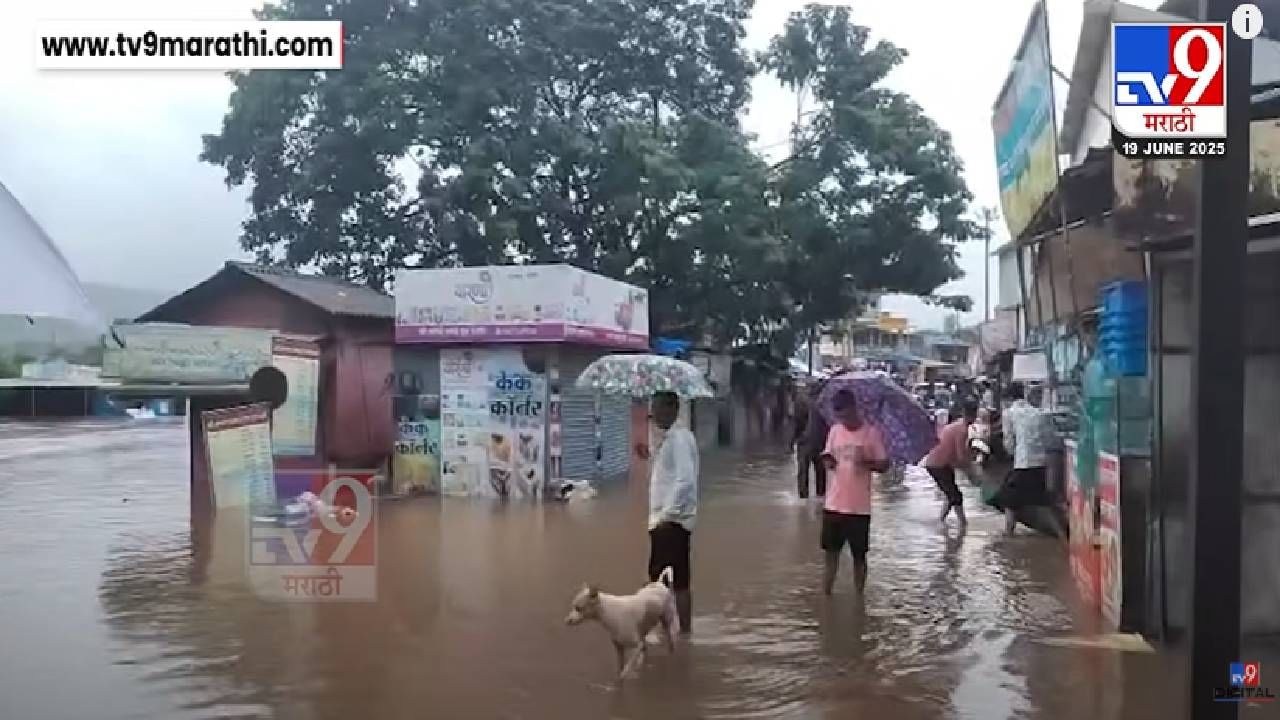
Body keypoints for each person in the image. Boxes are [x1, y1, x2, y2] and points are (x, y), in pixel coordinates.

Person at [638, 391, 698, 633]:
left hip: (671, 522)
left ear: (672, 409)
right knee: (676, 579)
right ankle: (682, 633)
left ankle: (658, 632)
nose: (652, 414)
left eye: (657, 407)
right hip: (671, 520)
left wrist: (666, 515)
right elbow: (670, 473)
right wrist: (650, 455)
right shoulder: (672, 438)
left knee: (660, 581)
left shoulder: (679, 439)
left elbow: (685, 481)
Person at [819, 388, 890, 595]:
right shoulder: (835, 431)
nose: (844, 420)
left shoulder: (871, 433)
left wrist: (866, 462)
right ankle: (826, 596)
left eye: (846, 414)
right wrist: (828, 461)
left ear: (854, 408)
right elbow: (828, 456)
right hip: (833, 504)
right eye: (839, 415)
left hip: (859, 508)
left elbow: (885, 465)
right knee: (830, 556)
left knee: (859, 558)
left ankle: (859, 598)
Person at [997, 383, 1058, 536]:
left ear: (1009, 398)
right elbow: (1049, 440)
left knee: (1008, 501)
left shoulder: (1009, 413)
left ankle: (1008, 535)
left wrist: (1011, 453)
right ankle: (1061, 536)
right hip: (1041, 464)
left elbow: (1009, 442)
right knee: (1042, 501)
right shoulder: (1038, 413)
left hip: (1023, 463)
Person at [922, 401, 979, 526]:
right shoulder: (961, 429)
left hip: (940, 463)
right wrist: (972, 473)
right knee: (955, 495)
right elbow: (960, 456)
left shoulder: (958, 425)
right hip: (937, 464)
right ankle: (962, 523)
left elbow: (960, 455)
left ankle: (941, 521)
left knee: (951, 493)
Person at [795, 383, 830, 499]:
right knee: (821, 471)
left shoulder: (802, 402)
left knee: (803, 471)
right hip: (822, 442)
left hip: (805, 441)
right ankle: (821, 497)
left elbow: (798, 423)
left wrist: (792, 440)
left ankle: (803, 498)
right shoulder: (826, 405)